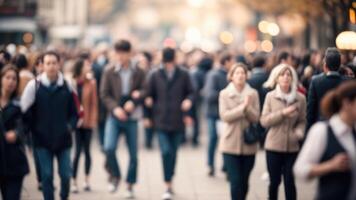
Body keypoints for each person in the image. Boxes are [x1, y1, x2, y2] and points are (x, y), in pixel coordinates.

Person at [21, 51, 79, 200]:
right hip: (42, 141)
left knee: (66, 175)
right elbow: (24, 110)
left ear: (59, 64)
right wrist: (30, 130)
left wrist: (70, 127)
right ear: (42, 66)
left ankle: (64, 196)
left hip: (63, 140)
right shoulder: (34, 85)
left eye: (54, 63)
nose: (51, 66)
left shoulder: (67, 85)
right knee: (46, 176)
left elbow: (75, 111)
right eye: (48, 63)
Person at [145, 47, 194, 200]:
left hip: (178, 120)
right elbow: (148, 96)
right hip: (160, 120)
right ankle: (167, 184)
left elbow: (192, 92)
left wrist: (188, 101)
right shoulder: (155, 74)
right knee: (165, 151)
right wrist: (147, 116)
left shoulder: (184, 74)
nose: (169, 65)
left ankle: (170, 178)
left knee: (173, 153)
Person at [294, 81, 356, 200]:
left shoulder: (353, 131)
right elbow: (300, 170)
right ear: (347, 103)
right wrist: (330, 165)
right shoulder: (321, 131)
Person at [100, 40, 145, 198]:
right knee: (109, 148)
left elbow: (145, 89)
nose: (119, 56)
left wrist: (135, 100)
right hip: (115, 115)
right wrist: (115, 108)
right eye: (117, 53)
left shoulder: (138, 71)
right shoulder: (109, 70)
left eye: (123, 53)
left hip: (132, 117)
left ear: (129, 53)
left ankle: (130, 185)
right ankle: (115, 174)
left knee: (133, 154)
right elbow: (104, 94)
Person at [260, 64, 306, 200]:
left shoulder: (300, 98)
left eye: (288, 74)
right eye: (282, 74)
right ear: (277, 78)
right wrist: (283, 113)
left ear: (292, 78)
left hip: (292, 146)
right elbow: (264, 121)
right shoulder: (270, 96)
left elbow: (303, 120)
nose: (285, 77)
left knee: (290, 182)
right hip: (273, 145)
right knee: (274, 182)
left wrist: (299, 132)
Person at [218, 63, 260, 200]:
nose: (240, 75)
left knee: (244, 181)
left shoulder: (253, 93)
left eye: (243, 73)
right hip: (230, 143)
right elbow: (225, 116)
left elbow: (256, 117)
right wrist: (243, 107)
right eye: (237, 73)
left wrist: (248, 108)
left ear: (247, 75)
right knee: (235, 182)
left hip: (249, 143)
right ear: (231, 76)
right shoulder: (224, 94)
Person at [202, 52, 234, 176]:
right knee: (213, 139)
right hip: (214, 113)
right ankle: (210, 165)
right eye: (232, 61)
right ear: (226, 62)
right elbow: (209, 94)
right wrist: (226, 95)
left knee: (226, 140)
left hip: (226, 113)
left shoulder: (230, 75)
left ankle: (226, 166)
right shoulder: (214, 75)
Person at [0, 65, 29, 200]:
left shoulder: (20, 104)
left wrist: (17, 134)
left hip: (14, 162)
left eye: (14, 79)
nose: (11, 81)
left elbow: (27, 125)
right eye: (7, 78)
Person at [70, 58, 98, 193]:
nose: (89, 67)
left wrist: (92, 120)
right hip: (76, 123)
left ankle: (87, 180)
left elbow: (94, 104)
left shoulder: (91, 83)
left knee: (87, 151)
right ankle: (74, 181)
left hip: (87, 122)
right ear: (80, 67)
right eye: (87, 65)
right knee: (77, 152)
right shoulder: (71, 83)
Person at [306, 47, 346, 133]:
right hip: (343, 127)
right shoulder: (348, 82)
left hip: (320, 126)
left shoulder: (315, 81)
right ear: (339, 65)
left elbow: (310, 109)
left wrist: (308, 132)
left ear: (325, 65)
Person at [247, 52, 269, 147]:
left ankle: (257, 138)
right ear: (264, 64)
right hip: (265, 103)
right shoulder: (267, 77)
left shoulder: (250, 78)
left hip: (253, 104)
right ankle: (262, 140)